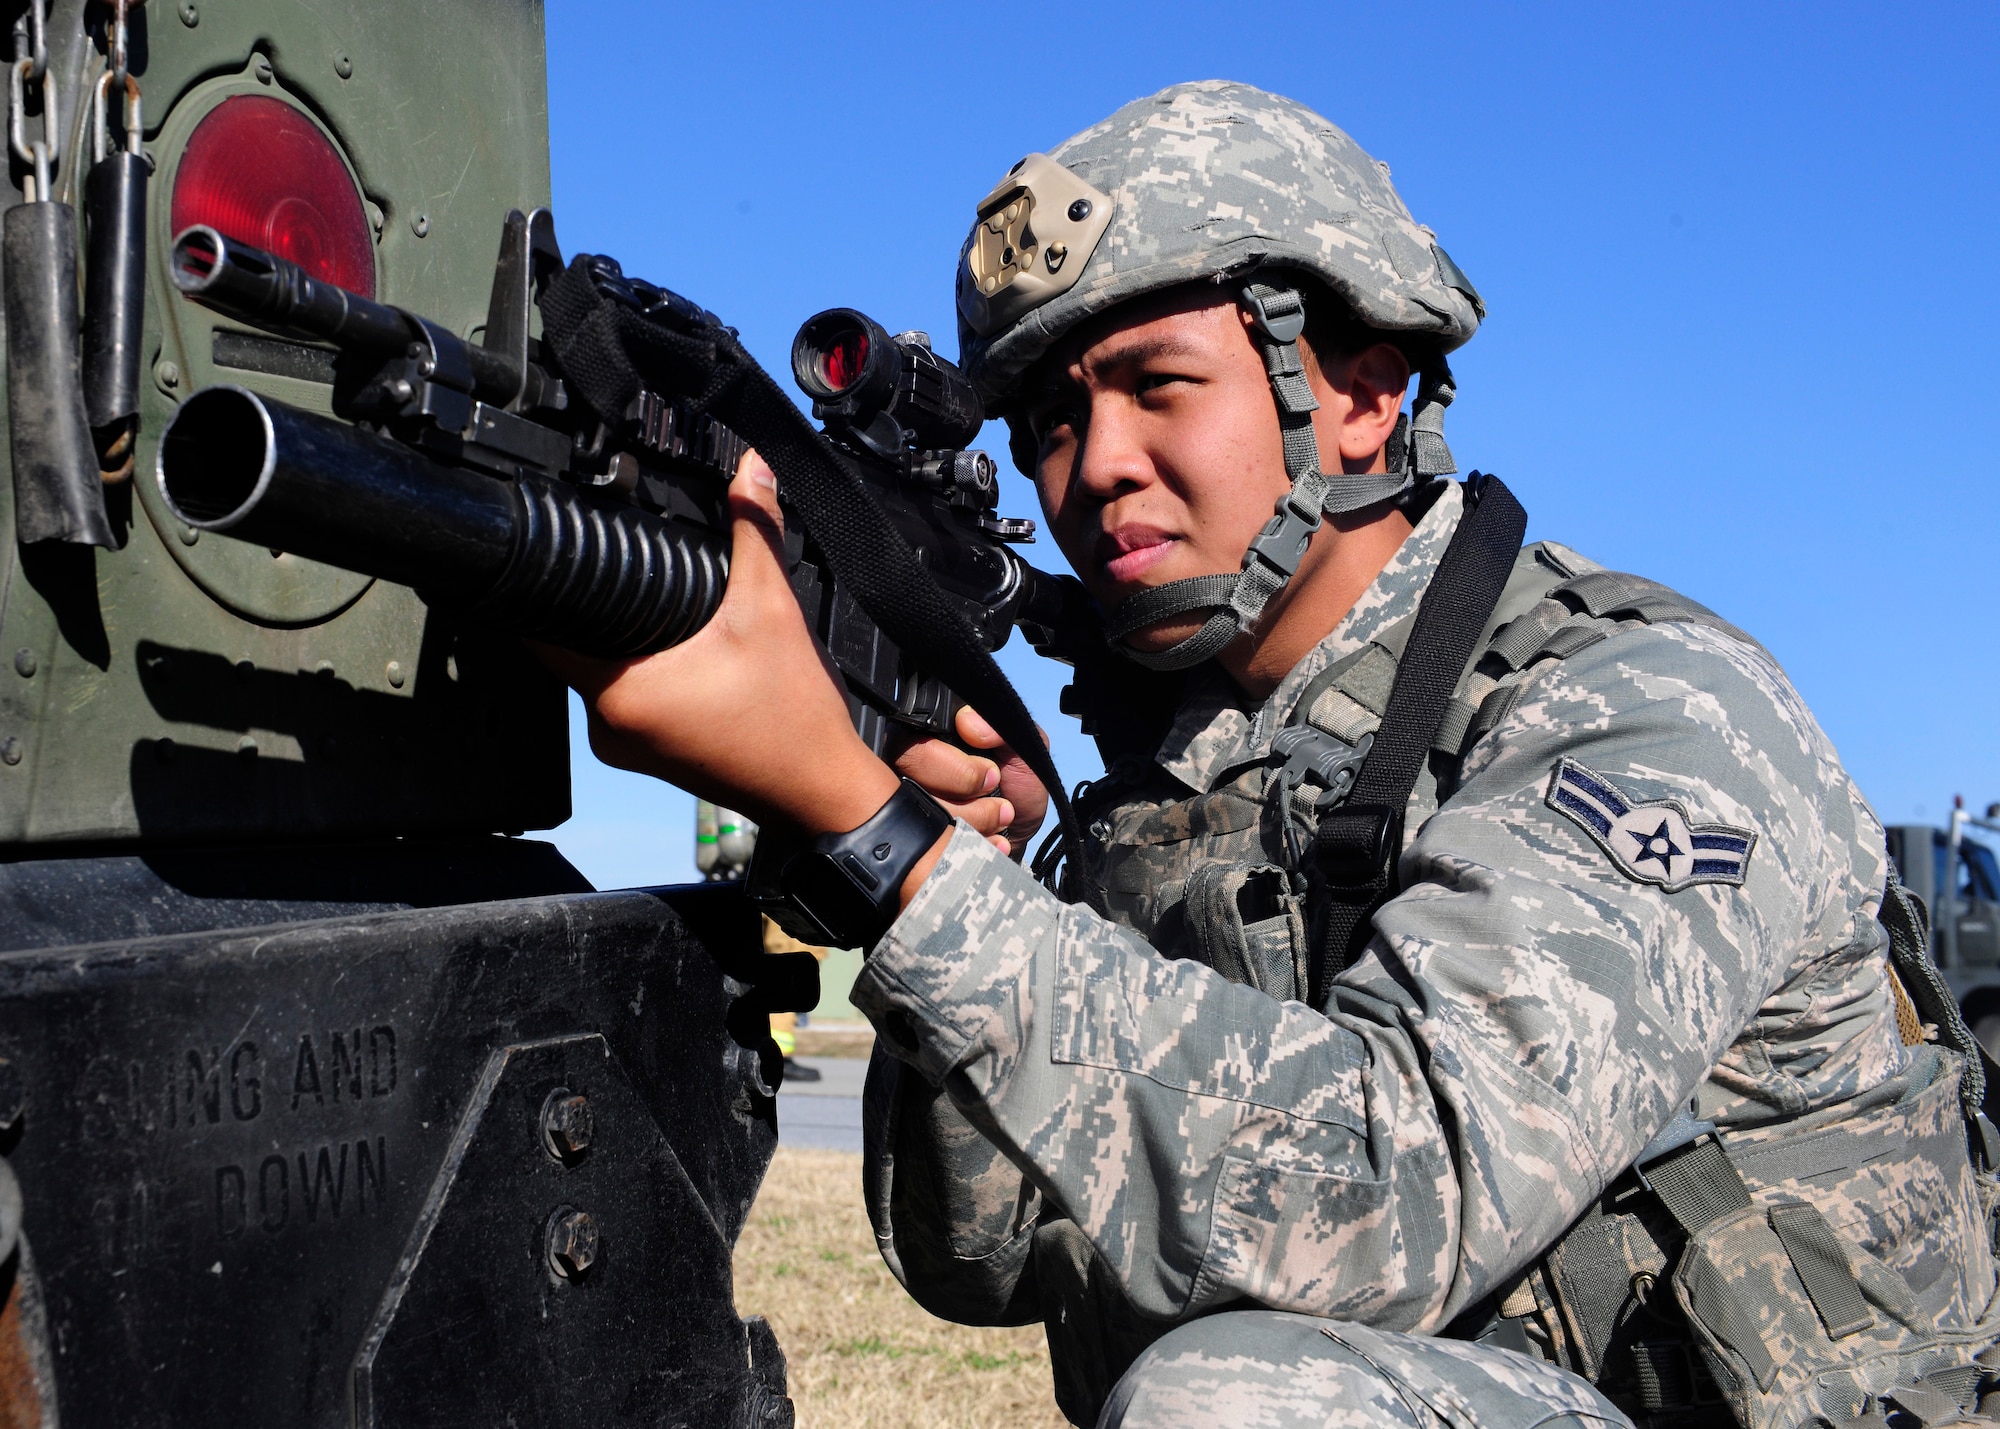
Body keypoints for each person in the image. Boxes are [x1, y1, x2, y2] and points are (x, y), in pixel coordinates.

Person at [550, 82, 2000, 1429]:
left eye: (1156, 384)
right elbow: (978, 1258)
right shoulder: (1187, 779)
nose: (1093, 461)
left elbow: (1391, 1196)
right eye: (1053, 417)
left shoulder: (1642, 710)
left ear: (1360, 394)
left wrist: (884, 843)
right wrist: (957, 863)